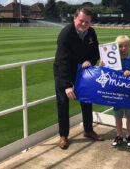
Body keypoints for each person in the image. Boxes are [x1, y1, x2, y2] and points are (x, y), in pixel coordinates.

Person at [54, 7, 104, 150]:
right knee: (63, 103)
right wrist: (67, 85)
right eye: (81, 20)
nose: (84, 24)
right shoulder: (66, 34)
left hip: (82, 72)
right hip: (63, 71)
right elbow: (62, 61)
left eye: (87, 22)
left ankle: (88, 130)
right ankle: (63, 136)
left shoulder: (91, 32)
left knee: (86, 100)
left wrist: (90, 61)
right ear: (75, 19)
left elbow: (95, 52)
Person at [99, 35, 130, 148]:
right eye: (120, 46)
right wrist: (102, 66)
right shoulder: (110, 59)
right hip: (116, 93)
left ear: (129, 46)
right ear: (116, 47)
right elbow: (104, 74)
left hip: (129, 93)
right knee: (118, 116)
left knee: (129, 115)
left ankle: (129, 135)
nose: (123, 48)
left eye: (125, 46)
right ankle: (119, 135)